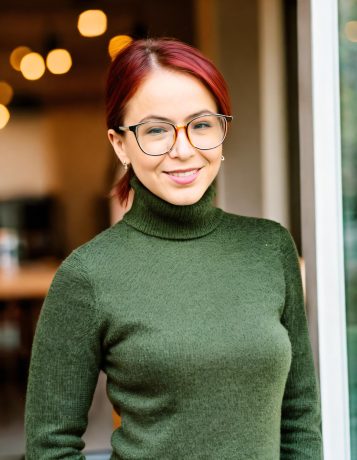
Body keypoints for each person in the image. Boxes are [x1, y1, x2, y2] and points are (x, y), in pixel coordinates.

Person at [25, 37, 322, 459]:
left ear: (223, 130)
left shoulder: (270, 248)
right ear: (120, 143)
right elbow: (49, 446)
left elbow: (300, 417)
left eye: (201, 124)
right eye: (157, 130)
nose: (183, 151)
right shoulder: (87, 275)